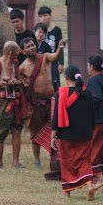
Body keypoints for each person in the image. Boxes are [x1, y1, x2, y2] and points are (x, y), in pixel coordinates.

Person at [19, 36, 65, 168]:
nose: (31, 48)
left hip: (50, 101)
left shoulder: (44, 57)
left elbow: (55, 57)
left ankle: (55, 159)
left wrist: (60, 48)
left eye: (32, 45)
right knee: (35, 132)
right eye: (27, 47)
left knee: (55, 130)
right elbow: (21, 84)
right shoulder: (22, 67)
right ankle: (37, 160)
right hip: (35, 104)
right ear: (23, 51)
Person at [51, 65, 96, 200]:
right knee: (84, 162)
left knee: (66, 162)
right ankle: (89, 186)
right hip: (85, 134)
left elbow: (56, 117)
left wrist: (53, 136)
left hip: (67, 134)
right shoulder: (86, 93)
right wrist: (90, 130)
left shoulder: (61, 93)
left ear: (66, 78)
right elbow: (92, 115)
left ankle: (67, 192)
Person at [0, 41, 26, 169]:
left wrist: (16, 81)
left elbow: (19, 80)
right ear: (10, 52)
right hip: (1, 101)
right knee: (1, 131)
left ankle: (16, 162)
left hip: (15, 100)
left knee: (16, 130)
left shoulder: (15, 63)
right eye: (16, 51)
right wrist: (2, 83)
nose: (19, 53)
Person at [86, 55, 103, 192]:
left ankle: (100, 179)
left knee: (93, 150)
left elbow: (95, 98)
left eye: (88, 65)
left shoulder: (93, 80)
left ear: (91, 67)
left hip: (97, 121)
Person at [38, 6, 64, 91]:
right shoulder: (38, 31)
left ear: (50, 16)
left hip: (54, 61)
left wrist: (61, 63)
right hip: (41, 61)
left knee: (55, 82)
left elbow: (60, 47)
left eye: (45, 15)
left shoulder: (57, 30)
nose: (43, 18)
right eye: (41, 16)